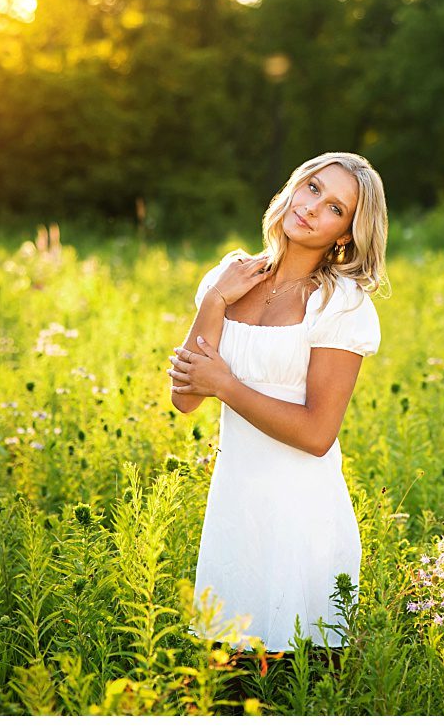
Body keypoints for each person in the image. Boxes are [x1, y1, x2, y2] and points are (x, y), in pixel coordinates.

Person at [167, 152, 388, 660]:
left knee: (302, 681)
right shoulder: (229, 276)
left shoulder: (342, 304)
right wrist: (214, 302)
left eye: (335, 208)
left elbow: (317, 435)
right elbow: (185, 397)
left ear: (346, 235)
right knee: (225, 681)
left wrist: (227, 385)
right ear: (292, 187)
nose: (312, 207)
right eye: (312, 188)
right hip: (233, 510)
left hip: (301, 516)